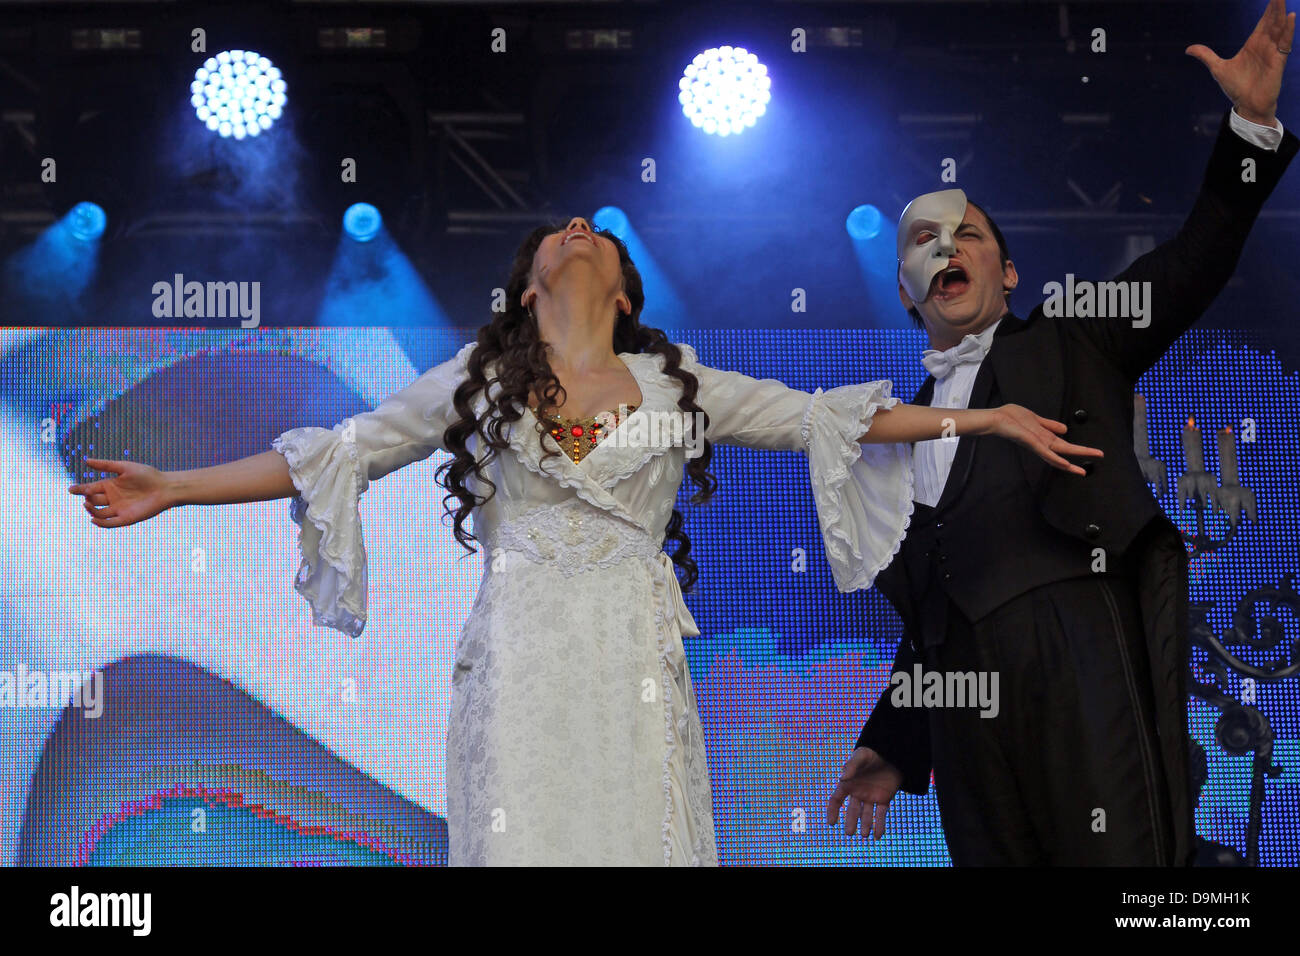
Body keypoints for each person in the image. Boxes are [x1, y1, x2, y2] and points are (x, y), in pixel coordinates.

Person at [68, 216, 1101, 866]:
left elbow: (829, 418)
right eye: (554, 233)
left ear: (624, 286)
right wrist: (176, 485)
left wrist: (985, 418)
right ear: (529, 289)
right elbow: (343, 450)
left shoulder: (675, 381)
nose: (573, 225)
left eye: (590, 231)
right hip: (517, 651)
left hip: (628, 655)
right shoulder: (479, 376)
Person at [826, 0, 1298, 865]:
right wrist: (895, 743)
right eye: (923, 241)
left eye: (965, 234)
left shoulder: (1074, 334)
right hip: (967, 701)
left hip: (1080, 647)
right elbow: (932, 605)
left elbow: (1194, 260)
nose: (944, 248)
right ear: (904, 290)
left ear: (1008, 272)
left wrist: (1250, 129)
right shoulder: (899, 424)